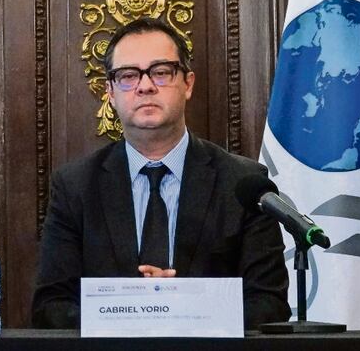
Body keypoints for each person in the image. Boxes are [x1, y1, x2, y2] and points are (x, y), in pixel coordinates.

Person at [32, 17, 289, 329]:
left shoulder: (244, 184)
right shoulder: (75, 187)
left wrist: (180, 307)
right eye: (128, 75)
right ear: (110, 92)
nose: (145, 85)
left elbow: (269, 303)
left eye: (161, 72)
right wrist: (133, 312)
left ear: (188, 84)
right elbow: (50, 305)